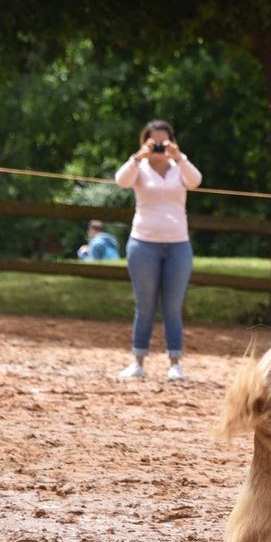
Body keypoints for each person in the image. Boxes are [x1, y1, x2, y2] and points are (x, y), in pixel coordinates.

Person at [113, 120, 201, 381]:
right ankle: (138, 361)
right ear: (145, 142)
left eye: (164, 141)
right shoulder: (138, 168)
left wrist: (180, 157)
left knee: (173, 307)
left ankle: (175, 363)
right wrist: (137, 157)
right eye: (155, 142)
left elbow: (195, 181)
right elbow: (121, 181)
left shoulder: (179, 168)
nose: (160, 147)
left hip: (178, 244)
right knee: (145, 305)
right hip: (143, 243)